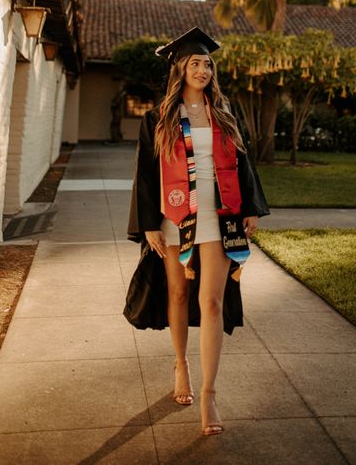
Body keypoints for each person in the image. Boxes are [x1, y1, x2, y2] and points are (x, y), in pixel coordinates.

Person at [125, 27, 269, 436]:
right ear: (180, 69)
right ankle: (181, 366)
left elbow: (244, 164)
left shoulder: (224, 113)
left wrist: (252, 209)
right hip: (177, 217)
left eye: (207, 63)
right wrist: (149, 222)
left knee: (211, 302)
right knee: (178, 293)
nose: (203, 69)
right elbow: (146, 173)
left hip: (221, 214)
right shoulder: (158, 118)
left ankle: (209, 393)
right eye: (195, 63)